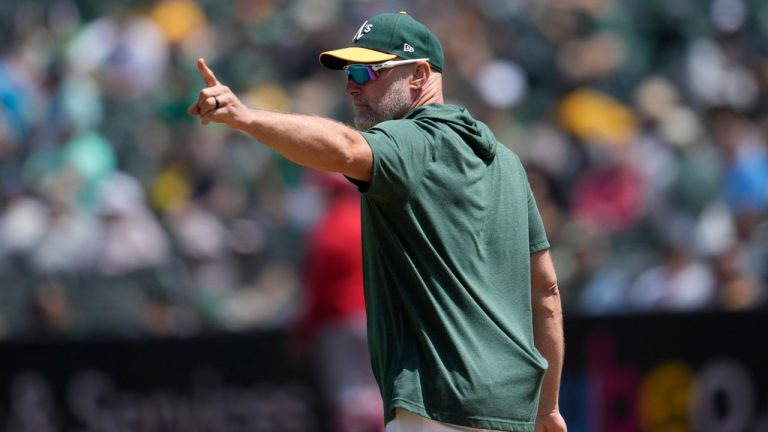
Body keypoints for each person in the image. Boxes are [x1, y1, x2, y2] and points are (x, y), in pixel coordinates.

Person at [189, 11, 566, 432]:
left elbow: (349, 149)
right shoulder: (508, 164)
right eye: (349, 71)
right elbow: (546, 291)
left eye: (368, 70)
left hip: (439, 405)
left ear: (420, 75)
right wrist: (548, 407)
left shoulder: (415, 141)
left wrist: (247, 118)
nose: (352, 85)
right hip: (514, 410)